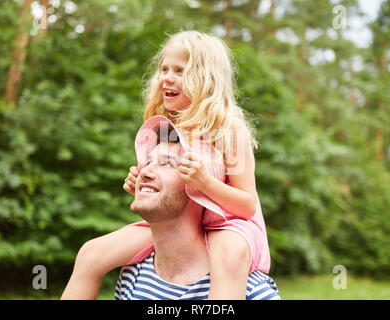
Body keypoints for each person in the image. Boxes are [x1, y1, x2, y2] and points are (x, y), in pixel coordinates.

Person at [61, 30, 271, 300]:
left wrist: (205, 183)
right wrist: (142, 184)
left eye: (180, 71)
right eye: (164, 69)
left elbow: (246, 205)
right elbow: (171, 191)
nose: (166, 78)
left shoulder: (230, 131)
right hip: (187, 225)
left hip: (230, 225)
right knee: (92, 253)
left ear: (206, 79)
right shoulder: (167, 123)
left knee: (229, 255)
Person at [114, 119, 280, 300]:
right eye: (147, 162)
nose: (143, 172)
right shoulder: (131, 279)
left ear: (199, 189)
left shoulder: (250, 292)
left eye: (167, 163)